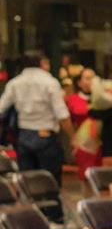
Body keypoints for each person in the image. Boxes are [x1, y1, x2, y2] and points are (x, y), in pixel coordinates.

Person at [0, 52, 70, 188]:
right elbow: (62, 114)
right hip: (46, 135)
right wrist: (72, 137)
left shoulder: (15, 83)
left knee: (28, 182)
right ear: (42, 63)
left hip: (23, 136)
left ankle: (30, 202)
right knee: (49, 182)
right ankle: (49, 202)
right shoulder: (50, 82)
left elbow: (1, 108)